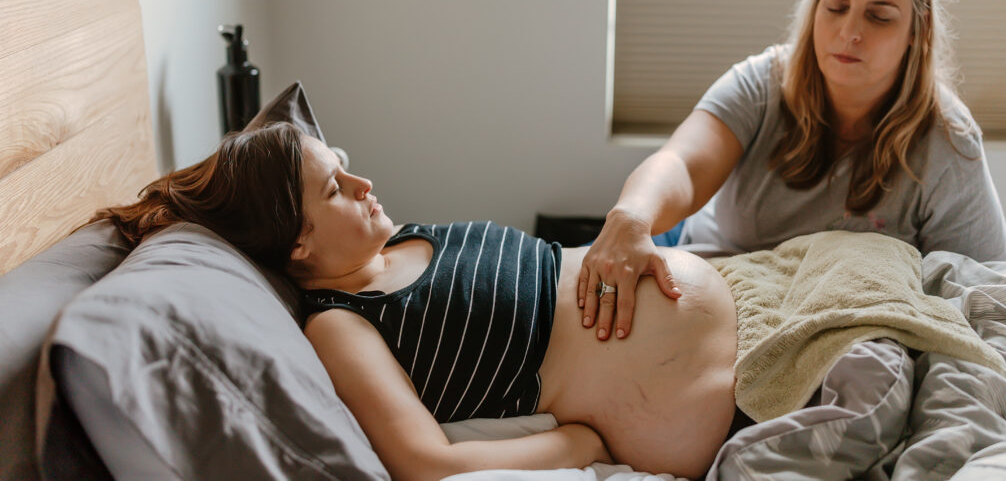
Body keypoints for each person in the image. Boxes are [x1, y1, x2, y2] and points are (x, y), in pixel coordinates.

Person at [95, 122, 739, 481]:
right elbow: (423, 462)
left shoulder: (401, 238)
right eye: (336, 188)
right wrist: (578, 449)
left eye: (344, 165)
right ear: (297, 243)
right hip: (703, 409)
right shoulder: (340, 325)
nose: (363, 182)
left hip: (736, 308)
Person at [578, 0, 1006, 343]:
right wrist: (632, 216)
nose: (849, 32)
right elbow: (684, 166)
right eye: (836, 7)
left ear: (918, 32)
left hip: (828, 327)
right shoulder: (760, 83)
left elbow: (987, 292)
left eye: (879, 17)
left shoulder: (949, 142)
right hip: (713, 275)